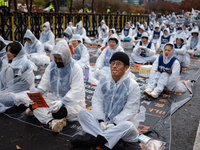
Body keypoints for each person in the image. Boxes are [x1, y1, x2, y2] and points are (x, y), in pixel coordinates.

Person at [71, 52, 140, 150]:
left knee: (128, 126)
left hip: (119, 125)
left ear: (126, 67)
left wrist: (115, 123)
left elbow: (130, 110)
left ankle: (92, 140)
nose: (114, 66)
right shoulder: (104, 81)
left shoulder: (132, 85)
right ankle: (112, 140)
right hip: (103, 124)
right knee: (82, 113)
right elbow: (97, 101)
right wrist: (101, 120)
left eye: (118, 63)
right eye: (112, 63)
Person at [25, 40, 85, 132]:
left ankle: (48, 116)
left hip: (71, 103)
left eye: (60, 58)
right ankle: (52, 121)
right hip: (53, 99)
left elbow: (76, 91)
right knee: (33, 106)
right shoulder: (52, 66)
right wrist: (36, 95)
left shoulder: (75, 68)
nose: (57, 61)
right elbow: (44, 83)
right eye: (55, 58)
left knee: (59, 112)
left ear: (66, 57)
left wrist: (62, 102)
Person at [0, 42, 35, 113]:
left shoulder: (25, 64)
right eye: (7, 51)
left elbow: (27, 83)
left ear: (17, 53)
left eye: (10, 51)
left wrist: (9, 91)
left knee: (7, 100)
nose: (8, 53)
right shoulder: (6, 62)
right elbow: (2, 79)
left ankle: (14, 106)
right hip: (7, 91)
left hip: (21, 92)